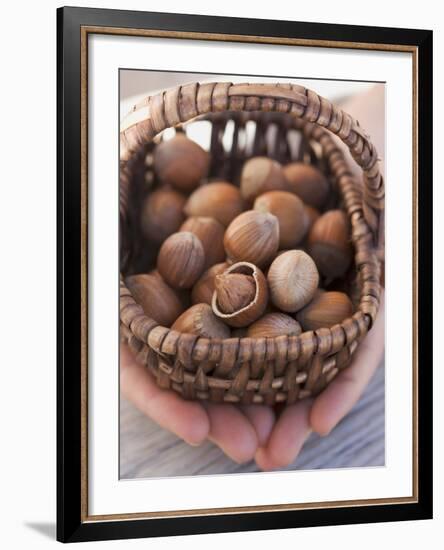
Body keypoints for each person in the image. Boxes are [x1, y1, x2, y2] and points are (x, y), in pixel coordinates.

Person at [120, 84, 385, 471]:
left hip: (255, 275)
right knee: (202, 238)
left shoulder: (258, 240)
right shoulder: (217, 258)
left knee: (222, 234)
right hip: (233, 282)